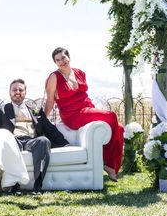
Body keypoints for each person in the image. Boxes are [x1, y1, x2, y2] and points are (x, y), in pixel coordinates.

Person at [44, 47, 124, 181]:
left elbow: (83, 95)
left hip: (87, 109)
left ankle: (110, 165)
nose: (61, 62)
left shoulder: (80, 73)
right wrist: (43, 119)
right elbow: (50, 100)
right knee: (111, 115)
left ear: (69, 57)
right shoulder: (54, 77)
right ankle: (107, 163)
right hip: (72, 114)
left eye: (63, 58)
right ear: (55, 63)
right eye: (57, 60)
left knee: (120, 127)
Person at [0, 78, 69, 193]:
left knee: (43, 141)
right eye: (14, 90)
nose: (17, 92)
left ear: (25, 93)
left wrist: (65, 143)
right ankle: (15, 185)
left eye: (21, 90)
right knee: (10, 142)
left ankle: (38, 184)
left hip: (32, 140)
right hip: (13, 140)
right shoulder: (1, 109)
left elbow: (49, 128)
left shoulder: (35, 110)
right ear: (9, 92)